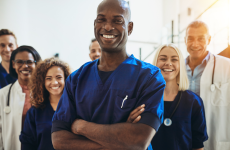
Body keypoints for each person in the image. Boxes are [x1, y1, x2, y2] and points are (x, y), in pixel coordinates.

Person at [51, 0, 166, 149]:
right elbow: (59, 140)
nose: (108, 27)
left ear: (129, 28)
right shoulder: (77, 79)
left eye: (117, 21)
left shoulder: (149, 77)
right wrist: (121, 140)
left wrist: (81, 127)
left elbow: (138, 140)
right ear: (95, 25)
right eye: (101, 20)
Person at [128, 44, 208, 150]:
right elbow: (132, 138)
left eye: (174, 60)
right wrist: (128, 124)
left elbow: (197, 145)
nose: (168, 63)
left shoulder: (193, 102)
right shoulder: (142, 99)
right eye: (163, 58)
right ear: (155, 63)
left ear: (180, 65)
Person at [184, 20, 230, 150]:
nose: (195, 44)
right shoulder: (177, 69)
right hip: (185, 135)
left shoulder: (227, 66)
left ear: (209, 40)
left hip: (216, 137)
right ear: (185, 40)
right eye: (190, 38)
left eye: (201, 39)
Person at [19, 57, 71, 150]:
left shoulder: (76, 108)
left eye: (59, 77)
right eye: (48, 78)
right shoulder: (34, 112)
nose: (54, 82)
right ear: (42, 82)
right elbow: (27, 144)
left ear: (66, 79)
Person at [0, 46, 41, 150]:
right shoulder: (3, 94)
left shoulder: (46, 93)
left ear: (36, 64)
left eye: (29, 62)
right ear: (13, 64)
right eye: (19, 62)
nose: (25, 66)